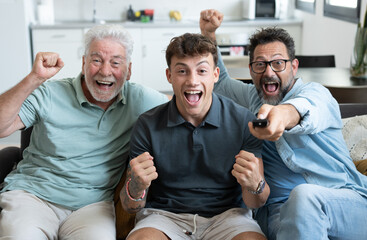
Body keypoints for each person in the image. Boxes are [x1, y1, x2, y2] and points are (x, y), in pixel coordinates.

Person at [200, 9, 367, 240]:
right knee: (295, 206)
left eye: (278, 63)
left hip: (345, 202)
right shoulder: (252, 97)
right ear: (251, 70)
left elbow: (302, 109)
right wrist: (209, 33)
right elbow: (221, 85)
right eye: (260, 64)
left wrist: (279, 116)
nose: (269, 72)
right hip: (278, 215)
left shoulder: (317, 93)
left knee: (304, 197)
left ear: (294, 66)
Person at [0, 24, 168, 239]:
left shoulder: (142, 100)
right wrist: (33, 78)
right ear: (84, 63)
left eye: (116, 63)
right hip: (33, 195)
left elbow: (187, 105)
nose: (105, 71)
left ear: (129, 71)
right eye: (96, 60)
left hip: (92, 206)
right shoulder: (50, 92)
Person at [120, 33, 269, 240]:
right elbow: (130, 206)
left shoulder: (244, 121)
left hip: (229, 217)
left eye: (202, 71)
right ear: (169, 75)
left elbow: (256, 202)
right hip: (164, 218)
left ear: (215, 75)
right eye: (182, 71)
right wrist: (136, 187)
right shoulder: (147, 125)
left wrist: (256, 184)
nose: (192, 81)